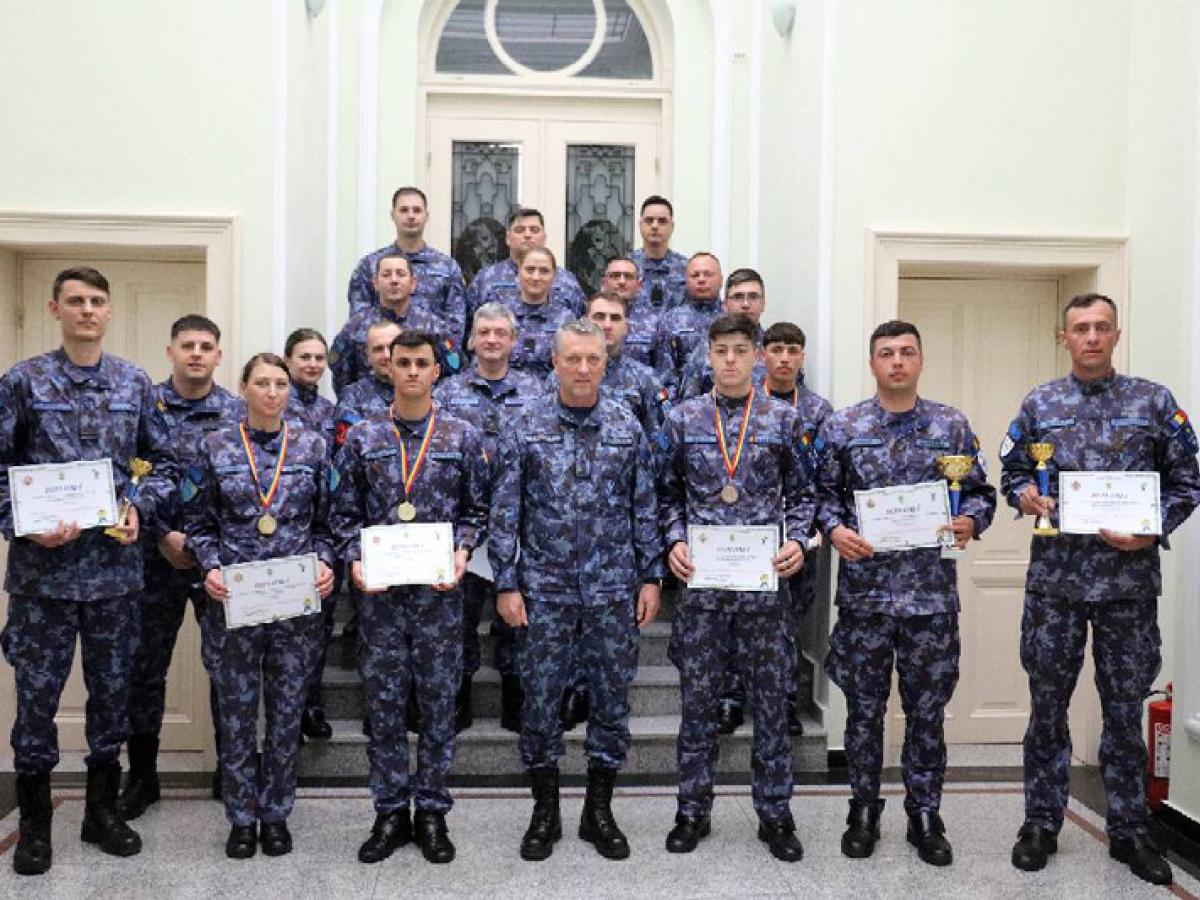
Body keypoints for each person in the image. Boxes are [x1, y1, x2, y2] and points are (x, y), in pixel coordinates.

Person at [999, 293, 1200, 886]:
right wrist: (1023, 496)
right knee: (1047, 711)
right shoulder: (1040, 403)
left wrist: (1151, 530)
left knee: (1123, 712)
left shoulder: (1153, 402)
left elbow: (1188, 482)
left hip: (1127, 587)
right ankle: (1040, 823)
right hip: (1055, 586)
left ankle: (1131, 830)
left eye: (1102, 327)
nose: (1091, 336)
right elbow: (1012, 472)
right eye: (1081, 328)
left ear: (1116, 335)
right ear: (1064, 337)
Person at [0, 266, 178, 875]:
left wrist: (139, 509)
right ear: (55, 309)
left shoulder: (134, 382)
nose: (86, 310)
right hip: (42, 581)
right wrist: (23, 523)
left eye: (96, 301)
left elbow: (164, 464)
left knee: (111, 698)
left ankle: (101, 813)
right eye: (74, 301)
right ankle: (35, 826)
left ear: (108, 311)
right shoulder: (22, 382)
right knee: (36, 702)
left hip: (114, 578)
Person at [817, 319, 995, 867]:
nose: (897, 361)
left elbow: (980, 493)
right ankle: (863, 810)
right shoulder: (844, 426)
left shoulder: (951, 425)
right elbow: (821, 495)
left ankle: (925, 814)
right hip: (866, 598)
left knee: (927, 713)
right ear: (872, 362)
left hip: (929, 600)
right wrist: (834, 530)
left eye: (907, 352)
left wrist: (970, 520)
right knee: (864, 712)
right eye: (887, 353)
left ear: (920, 360)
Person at [491, 319, 664, 862]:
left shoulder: (626, 426)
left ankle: (599, 811)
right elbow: (506, 510)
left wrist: (651, 575)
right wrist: (506, 582)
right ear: (555, 362)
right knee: (540, 702)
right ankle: (545, 812)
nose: (583, 368)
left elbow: (644, 506)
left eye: (593, 359)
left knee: (611, 700)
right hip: (544, 591)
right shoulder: (525, 424)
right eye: (573, 359)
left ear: (605, 363)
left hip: (613, 590)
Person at [331, 330, 489, 866]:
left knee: (440, 707)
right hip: (380, 599)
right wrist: (354, 558)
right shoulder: (363, 437)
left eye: (423, 363)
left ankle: (433, 813)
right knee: (384, 706)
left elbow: (476, 511)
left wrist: (463, 551)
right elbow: (343, 512)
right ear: (389, 368)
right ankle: (391, 811)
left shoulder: (462, 436)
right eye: (404, 362)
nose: (414, 371)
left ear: (437, 371)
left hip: (439, 599)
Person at [658, 313, 811, 862]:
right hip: (701, 594)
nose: (729, 360)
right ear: (708, 355)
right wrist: (674, 540)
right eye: (721, 350)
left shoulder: (782, 420)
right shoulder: (682, 419)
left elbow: (804, 495)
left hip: (764, 594)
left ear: (757, 357)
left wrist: (799, 541)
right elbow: (665, 494)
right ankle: (692, 810)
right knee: (698, 706)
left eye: (740, 350)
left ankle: (775, 813)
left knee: (770, 706)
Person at [184, 352, 337, 859]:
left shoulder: (313, 447)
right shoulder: (214, 447)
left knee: (287, 713)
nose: (272, 392)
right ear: (244, 387)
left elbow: (328, 523)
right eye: (263, 383)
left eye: (280, 384)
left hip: (295, 607)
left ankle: (276, 814)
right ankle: (240, 817)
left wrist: (325, 561)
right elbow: (198, 524)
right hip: (234, 605)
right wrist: (209, 566)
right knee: (236, 715)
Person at [121, 315, 241, 820]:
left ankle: (231, 772)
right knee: (144, 667)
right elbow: (123, 477)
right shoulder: (142, 407)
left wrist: (205, 546)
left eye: (206, 346)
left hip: (218, 564)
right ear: (170, 351)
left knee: (228, 668)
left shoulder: (237, 412)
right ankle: (142, 776)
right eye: (187, 345)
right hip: (154, 558)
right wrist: (160, 534)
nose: (196, 353)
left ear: (218, 355)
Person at [716, 321, 831, 737]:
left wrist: (814, 529)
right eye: (777, 349)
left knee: (787, 621)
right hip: (742, 535)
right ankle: (731, 698)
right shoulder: (738, 405)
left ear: (802, 357)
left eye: (793, 350)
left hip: (795, 538)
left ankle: (784, 701)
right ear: (762, 355)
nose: (784, 358)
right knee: (731, 619)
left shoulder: (817, 411)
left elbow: (824, 474)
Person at [433, 303, 544, 733]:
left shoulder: (536, 390)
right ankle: (459, 699)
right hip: (464, 521)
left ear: (513, 341)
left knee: (517, 615)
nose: (492, 339)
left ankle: (516, 699)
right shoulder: (447, 392)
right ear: (471, 340)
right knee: (459, 616)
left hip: (520, 521)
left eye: (501, 332)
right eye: (484, 332)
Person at [282, 328, 340, 741]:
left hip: (320, 529)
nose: (313, 364)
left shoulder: (331, 412)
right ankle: (285, 713)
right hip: (278, 532)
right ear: (288, 360)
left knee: (317, 628)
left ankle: (311, 706)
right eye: (305, 357)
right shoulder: (272, 402)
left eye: (319, 358)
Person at [346, 186, 468, 342]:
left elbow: (455, 327)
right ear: (393, 215)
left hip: (429, 352)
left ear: (426, 216)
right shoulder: (369, 266)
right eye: (404, 210)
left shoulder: (448, 268)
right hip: (382, 351)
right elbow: (358, 322)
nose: (411, 216)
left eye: (417, 210)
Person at [332, 253, 460, 396]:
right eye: (386, 275)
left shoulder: (435, 327)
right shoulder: (355, 327)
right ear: (375, 283)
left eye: (400, 274)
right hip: (368, 405)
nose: (394, 280)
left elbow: (453, 370)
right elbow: (340, 373)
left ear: (413, 283)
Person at [465, 208, 586, 321]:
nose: (527, 235)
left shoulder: (566, 282)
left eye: (534, 230)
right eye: (519, 230)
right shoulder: (487, 279)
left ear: (544, 237)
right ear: (508, 238)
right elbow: (469, 325)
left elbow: (580, 324)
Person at [675, 268, 769, 402]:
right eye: (738, 297)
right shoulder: (706, 349)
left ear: (763, 304)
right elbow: (689, 402)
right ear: (725, 305)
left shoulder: (774, 349)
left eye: (753, 297)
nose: (745, 304)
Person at [494, 246, 577, 381]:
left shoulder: (566, 320)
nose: (536, 277)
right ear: (519, 272)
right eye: (530, 270)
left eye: (544, 271)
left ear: (554, 276)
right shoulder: (499, 315)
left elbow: (571, 366)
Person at [652, 252, 724, 393]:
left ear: (721, 280)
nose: (701, 280)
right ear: (686, 280)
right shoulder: (671, 321)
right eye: (695, 275)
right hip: (686, 402)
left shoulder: (733, 317)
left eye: (708, 274)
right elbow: (665, 376)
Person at [599, 256, 660, 369]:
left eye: (628, 276)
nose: (622, 282)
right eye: (615, 276)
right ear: (604, 282)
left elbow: (663, 370)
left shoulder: (655, 324)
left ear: (639, 285)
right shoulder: (591, 319)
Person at [630, 196, 688, 311]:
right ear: (640, 225)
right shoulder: (626, 267)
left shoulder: (686, 268)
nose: (655, 226)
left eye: (662, 221)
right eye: (649, 220)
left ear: (672, 227)